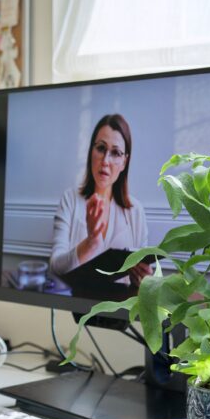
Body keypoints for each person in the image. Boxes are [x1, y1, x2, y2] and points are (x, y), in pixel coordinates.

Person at [49, 114, 151, 291]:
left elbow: (147, 280)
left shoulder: (136, 211)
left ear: (124, 162)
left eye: (115, 153)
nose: (105, 161)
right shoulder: (70, 200)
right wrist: (91, 242)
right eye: (101, 148)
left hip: (120, 312)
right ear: (91, 152)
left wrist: (144, 278)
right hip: (76, 310)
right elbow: (55, 267)